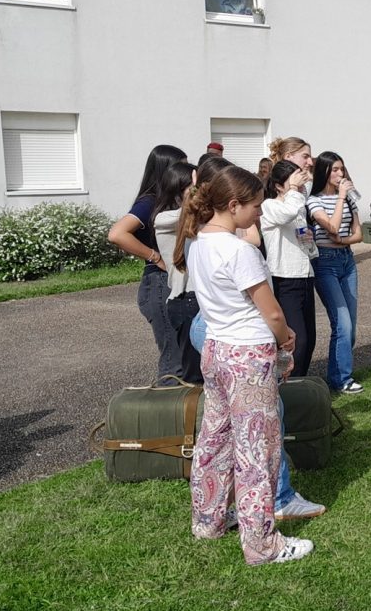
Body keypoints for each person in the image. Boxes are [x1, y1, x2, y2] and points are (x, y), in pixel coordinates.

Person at [174, 165, 314, 565]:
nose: (259, 212)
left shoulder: (198, 242)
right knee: (258, 450)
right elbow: (270, 313)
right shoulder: (240, 251)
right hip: (248, 355)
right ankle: (262, 544)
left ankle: (209, 519)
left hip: (216, 351)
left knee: (214, 439)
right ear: (233, 205)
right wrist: (287, 340)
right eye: (254, 205)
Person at [108, 144, 188, 382]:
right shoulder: (149, 202)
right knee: (174, 363)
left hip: (169, 281)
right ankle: (168, 413)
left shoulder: (166, 201)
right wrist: (155, 257)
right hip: (158, 283)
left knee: (183, 357)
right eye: (180, 165)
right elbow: (117, 234)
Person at [307, 151, 365, 392]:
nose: (341, 174)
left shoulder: (349, 200)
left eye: (342, 169)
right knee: (341, 323)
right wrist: (340, 198)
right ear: (324, 173)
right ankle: (342, 379)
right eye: (335, 170)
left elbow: (358, 234)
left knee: (350, 323)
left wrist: (342, 241)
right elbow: (330, 225)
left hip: (346, 259)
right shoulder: (314, 201)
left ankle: (337, 373)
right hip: (325, 263)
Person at [261, 160, 319, 379]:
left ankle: (300, 383)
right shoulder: (270, 206)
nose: (300, 185)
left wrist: (309, 240)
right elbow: (287, 214)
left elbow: (302, 237)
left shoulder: (297, 205)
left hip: (304, 275)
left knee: (309, 339)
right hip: (284, 278)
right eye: (294, 180)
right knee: (294, 340)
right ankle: (284, 383)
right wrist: (294, 189)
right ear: (278, 185)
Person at [152, 160, 201, 383]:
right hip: (185, 300)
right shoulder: (164, 219)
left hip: (198, 298)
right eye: (193, 185)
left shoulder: (194, 215)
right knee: (194, 376)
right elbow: (187, 213)